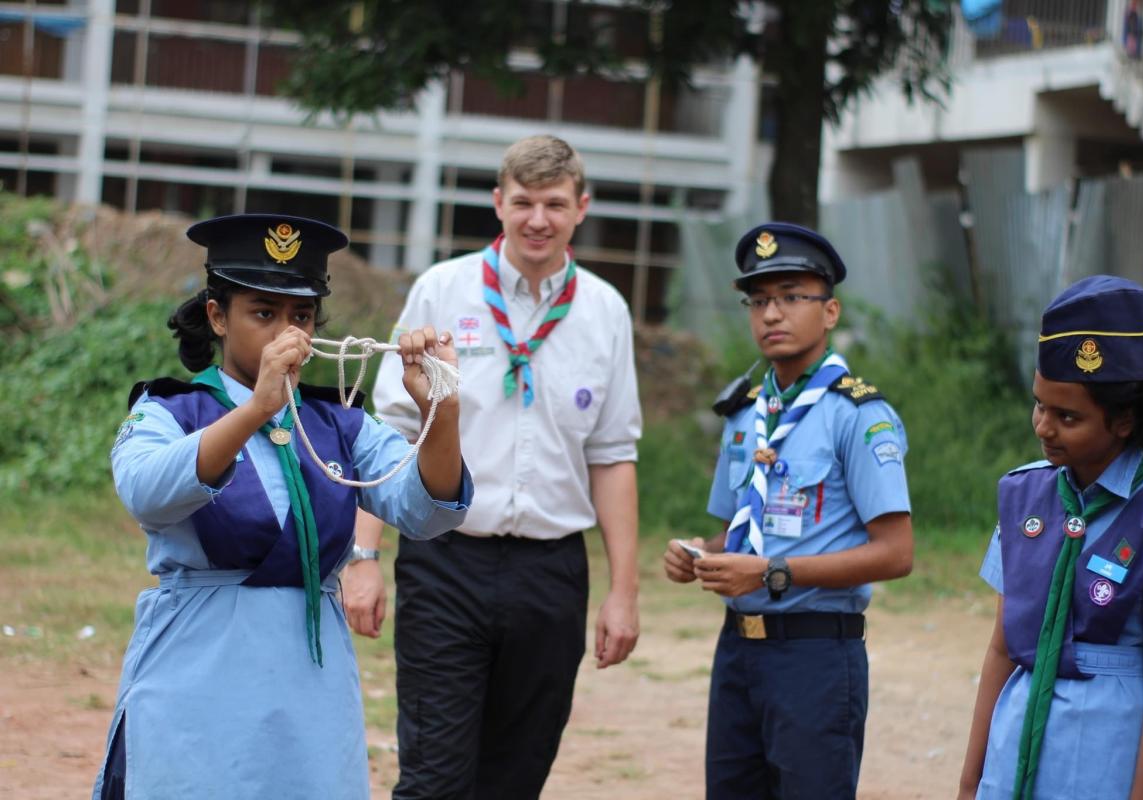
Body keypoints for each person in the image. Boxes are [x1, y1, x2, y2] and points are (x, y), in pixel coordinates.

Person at [93, 213, 472, 800]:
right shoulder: (170, 410)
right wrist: (254, 411)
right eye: (263, 314)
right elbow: (145, 492)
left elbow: (430, 513)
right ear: (218, 316)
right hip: (199, 670)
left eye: (301, 316)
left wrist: (441, 412)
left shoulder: (339, 422)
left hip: (311, 682)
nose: (286, 333)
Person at [344, 134, 642, 799]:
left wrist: (623, 591)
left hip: (551, 572)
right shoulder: (442, 290)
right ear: (498, 202)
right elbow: (390, 430)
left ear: (581, 208)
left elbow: (613, 455)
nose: (538, 220)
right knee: (435, 778)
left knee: (516, 776)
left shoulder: (605, 311)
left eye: (555, 204)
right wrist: (363, 558)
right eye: (524, 202)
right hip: (445, 561)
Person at [663, 222, 915, 799]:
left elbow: (896, 554)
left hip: (815, 654)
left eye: (791, 297)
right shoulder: (745, 414)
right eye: (758, 301)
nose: (771, 314)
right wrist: (700, 553)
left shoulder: (858, 415)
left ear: (830, 312)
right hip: (738, 652)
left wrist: (773, 573)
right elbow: (735, 535)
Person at [957, 275, 1143, 799]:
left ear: (1124, 421)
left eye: (1068, 417)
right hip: (1014, 752)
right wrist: (971, 784)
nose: (1044, 428)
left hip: (1106, 763)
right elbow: (1002, 648)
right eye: (1039, 406)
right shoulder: (1024, 496)